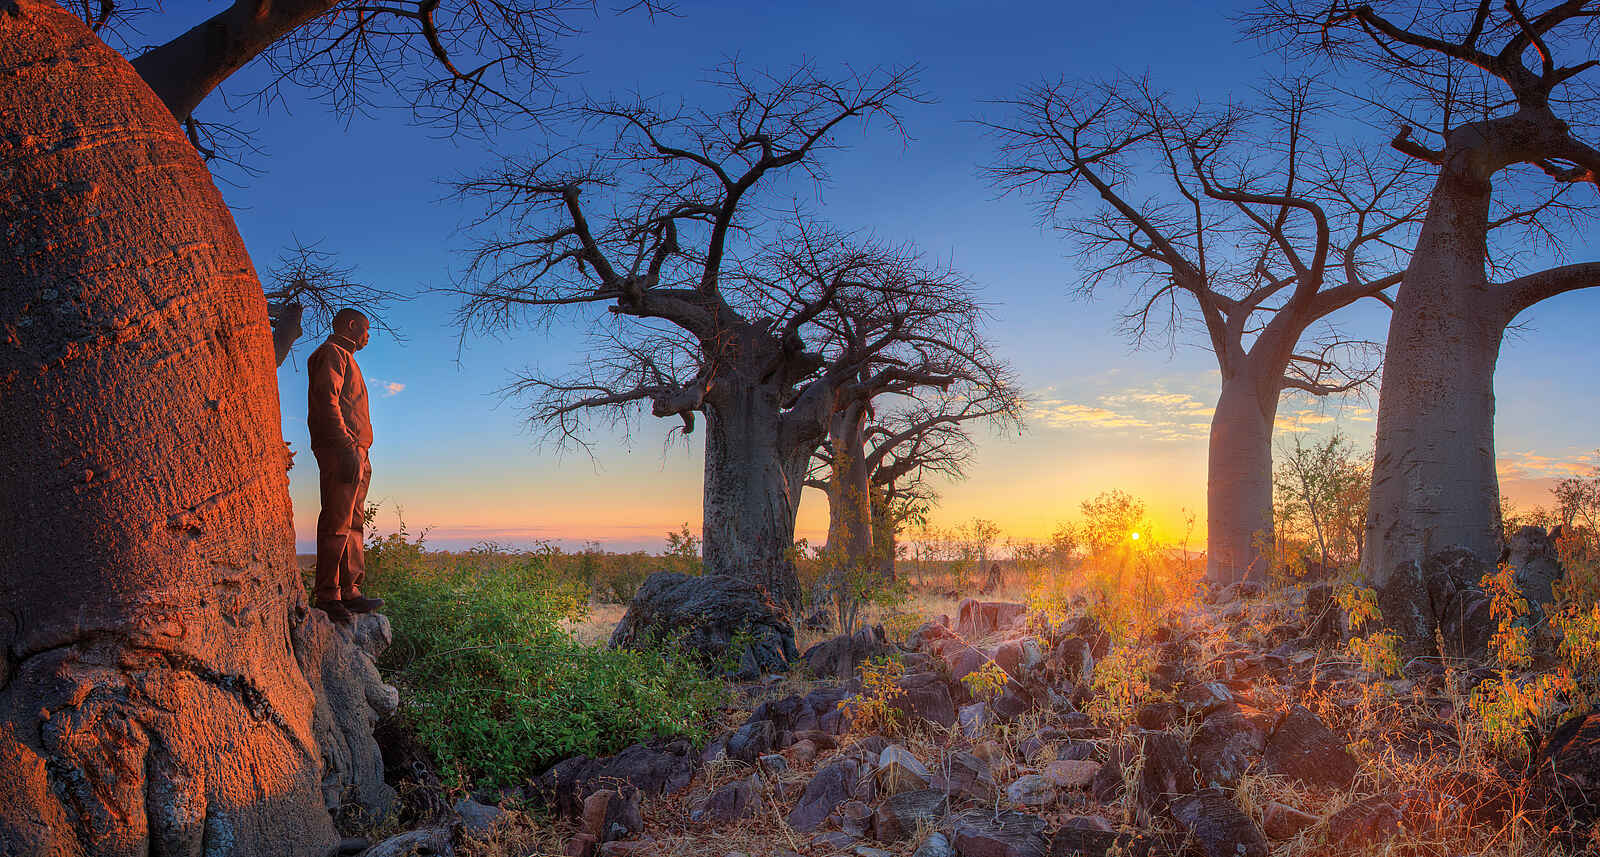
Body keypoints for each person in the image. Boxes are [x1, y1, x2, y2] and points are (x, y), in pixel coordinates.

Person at [307, 308, 385, 621]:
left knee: (353, 522)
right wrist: (346, 446)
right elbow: (327, 401)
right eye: (366, 330)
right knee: (337, 522)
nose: (368, 336)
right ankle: (328, 595)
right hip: (343, 450)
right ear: (351, 326)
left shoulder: (348, 358)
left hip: (358, 451)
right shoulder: (331, 353)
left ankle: (349, 591)